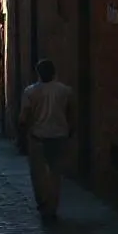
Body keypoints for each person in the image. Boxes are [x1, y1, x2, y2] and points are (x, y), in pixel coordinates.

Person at [17, 58, 74, 223]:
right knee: (56, 175)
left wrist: (21, 136)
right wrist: (70, 130)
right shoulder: (65, 91)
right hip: (59, 136)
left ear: (38, 73)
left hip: (38, 138)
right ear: (54, 71)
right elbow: (71, 114)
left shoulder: (30, 92)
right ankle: (53, 208)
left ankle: (43, 204)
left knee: (38, 175)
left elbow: (23, 117)